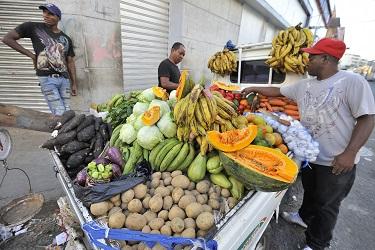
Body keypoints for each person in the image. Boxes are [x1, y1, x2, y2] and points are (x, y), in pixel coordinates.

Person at [242, 38, 375, 250]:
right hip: (311, 156)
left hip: (337, 161)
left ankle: (317, 244)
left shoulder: (352, 82)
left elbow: (367, 118)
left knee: (327, 206)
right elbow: (277, 91)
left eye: (311, 57)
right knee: (311, 192)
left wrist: (350, 153)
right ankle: (303, 216)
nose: (307, 60)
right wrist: (253, 87)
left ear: (325, 59)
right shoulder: (305, 85)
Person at [2, 3, 77, 116]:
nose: (45, 16)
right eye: (44, 12)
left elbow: (70, 62)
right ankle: (60, 132)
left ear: (58, 17)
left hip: (64, 80)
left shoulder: (66, 39)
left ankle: (60, 132)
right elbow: (7, 39)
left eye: (50, 14)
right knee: (59, 112)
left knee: (66, 112)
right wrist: (32, 55)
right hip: (47, 79)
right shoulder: (33, 27)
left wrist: (74, 83)